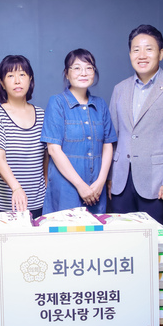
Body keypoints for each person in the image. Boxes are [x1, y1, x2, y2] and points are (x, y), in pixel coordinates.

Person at [108, 24, 163, 225]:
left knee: (154, 240)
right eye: (136, 49)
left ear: (161, 53)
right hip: (121, 181)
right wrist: (110, 177)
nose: (142, 55)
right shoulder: (120, 89)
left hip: (156, 183)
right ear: (130, 54)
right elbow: (112, 137)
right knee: (121, 237)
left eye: (149, 49)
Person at [41, 49, 117, 214]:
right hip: (66, 188)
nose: (83, 73)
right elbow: (54, 150)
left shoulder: (101, 105)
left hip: (96, 189)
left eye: (89, 68)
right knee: (65, 229)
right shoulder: (57, 103)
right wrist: (80, 186)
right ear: (66, 74)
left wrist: (101, 182)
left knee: (95, 230)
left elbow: (108, 145)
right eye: (77, 68)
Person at [0, 55, 46, 218]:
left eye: (22, 74)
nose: (17, 81)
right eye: (10, 76)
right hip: (3, 205)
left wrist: (45, 186)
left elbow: (46, 157)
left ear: (30, 79)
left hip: (37, 203)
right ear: (2, 83)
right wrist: (17, 188)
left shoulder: (42, 115)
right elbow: (0, 160)